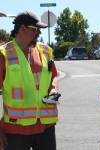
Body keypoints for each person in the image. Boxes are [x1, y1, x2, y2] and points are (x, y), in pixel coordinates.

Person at [0, 11, 59, 150]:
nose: (38, 33)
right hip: (16, 130)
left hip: (46, 127)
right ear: (22, 29)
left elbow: (54, 76)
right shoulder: (4, 54)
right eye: (35, 29)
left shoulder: (45, 51)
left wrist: (54, 88)